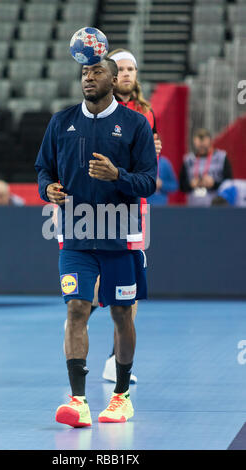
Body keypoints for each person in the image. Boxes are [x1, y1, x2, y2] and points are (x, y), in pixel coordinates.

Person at [35, 58, 157, 427]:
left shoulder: (135, 124)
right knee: (76, 309)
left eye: (97, 72)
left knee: (122, 312)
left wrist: (118, 175)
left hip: (120, 235)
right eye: (84, 73)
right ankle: (79, 401)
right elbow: (44, 168)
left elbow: (149, 181)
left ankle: (121, 396)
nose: (89, 77)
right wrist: (48, 189)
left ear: (114, 79)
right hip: (76, 234)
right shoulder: (61, 122)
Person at [89, 49, 162, 384]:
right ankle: (82, 310)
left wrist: (152, 150)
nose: (128, 73)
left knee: (129, 285)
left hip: (134, 205)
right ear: (110, 74)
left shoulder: (145, 113)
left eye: (133, 68)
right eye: (122, 68)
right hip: (99, 205)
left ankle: (112, 359)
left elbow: (148, 166)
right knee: (98, 276)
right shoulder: (95, 109)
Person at [179, 128, 233, 207]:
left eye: (204, 145)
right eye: (199, 145)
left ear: (210, 141)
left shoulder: (221, 157)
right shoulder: (189, 160)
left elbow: (229, 183)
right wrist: (191, 185)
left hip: (217, 205)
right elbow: (181, 185)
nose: (201, 148)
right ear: (194, 142)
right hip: (194, 205)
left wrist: (214, 184)